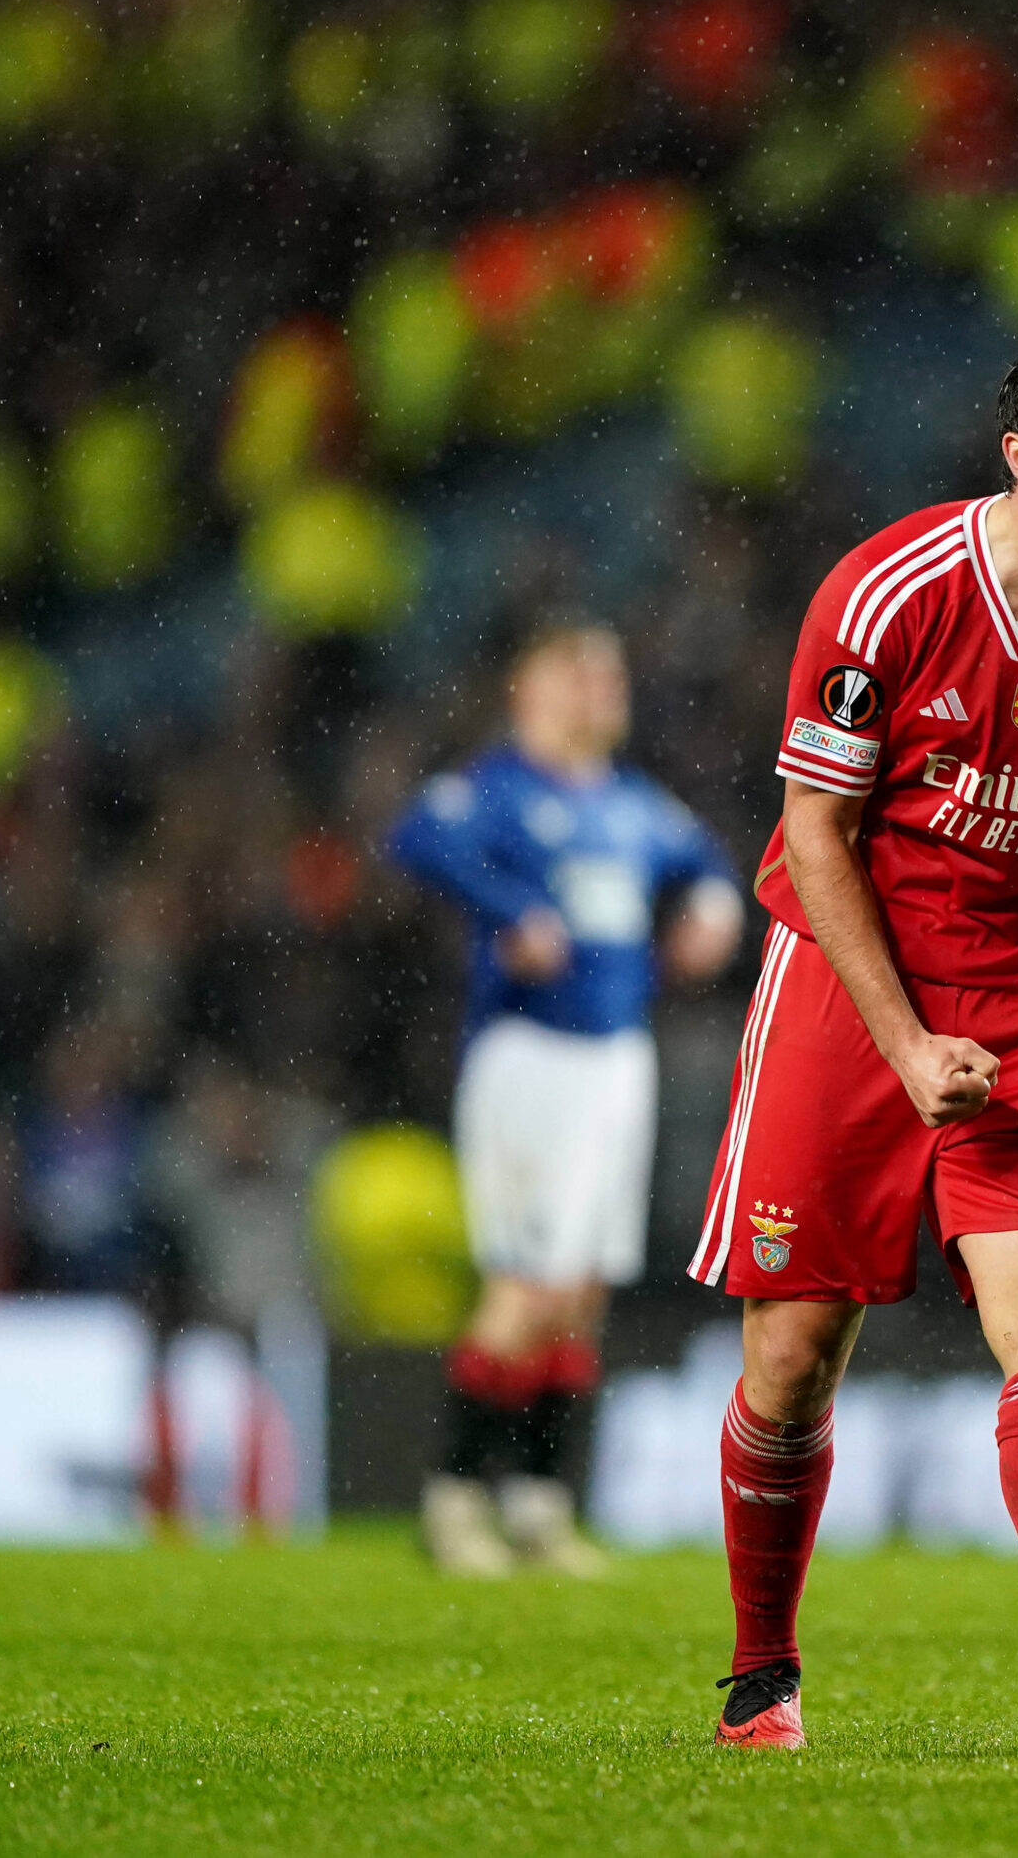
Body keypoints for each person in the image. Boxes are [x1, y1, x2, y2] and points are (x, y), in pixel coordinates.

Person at [686, 327, 1018, 1755]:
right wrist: (908, 1045)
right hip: (847, 977)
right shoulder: (887, 595)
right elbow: (818, 832)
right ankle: (759, 1679)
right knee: (794, 1355)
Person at [389, 616, 745, 1578]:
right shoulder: (501, 790)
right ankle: (455, 1498)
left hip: (619, 1057)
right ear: (529, 688)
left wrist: (713, 909)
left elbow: (710, 867)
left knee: (582, 1289)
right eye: (577, 669)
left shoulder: (632, 804)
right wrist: (512, 913)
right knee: (530, 1283)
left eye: (609, 668)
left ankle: (540, 1506)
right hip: (529, 1054)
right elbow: (417, 835)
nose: (601, 685)